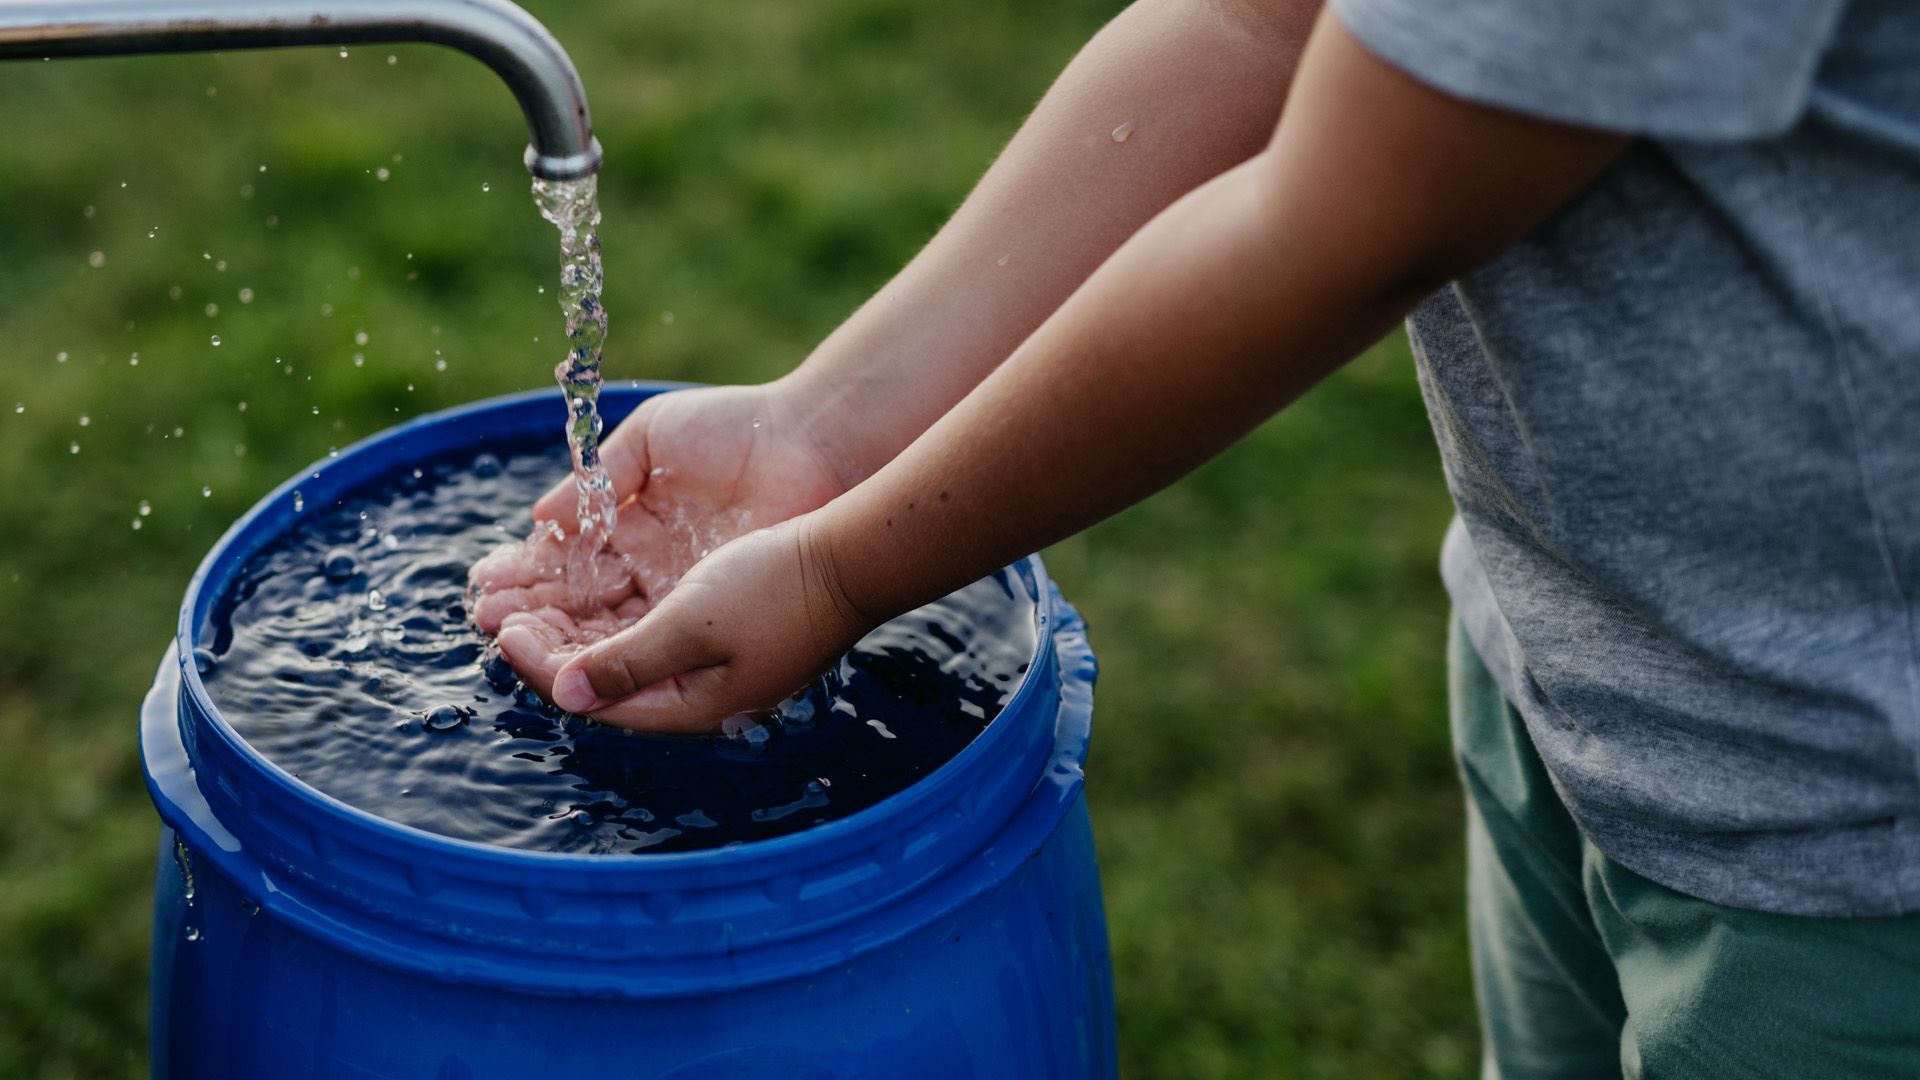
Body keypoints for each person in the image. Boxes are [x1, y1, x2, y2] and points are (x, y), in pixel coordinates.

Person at [471, 0, 1920, 1073]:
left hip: (1847, 822)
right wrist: (821, 429)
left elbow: (1337, 225)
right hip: (1576, 656)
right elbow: (1262, 23)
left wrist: (843, 565)